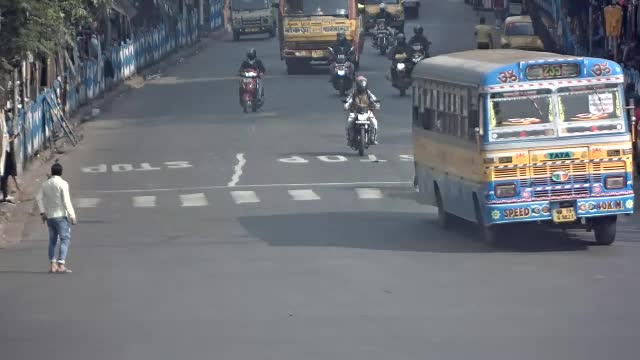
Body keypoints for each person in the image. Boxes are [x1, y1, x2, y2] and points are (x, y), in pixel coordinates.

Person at [36, 162, 77, 273]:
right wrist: (72, 215)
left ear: (52, 172)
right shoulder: (63, 184)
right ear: (61, 172)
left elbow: (38, 197)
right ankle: (61, 264)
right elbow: (66, 201)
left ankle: (53, 265)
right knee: (65, 239)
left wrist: (42, 212)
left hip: (50, 217)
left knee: (52, 241)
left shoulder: (45, 184)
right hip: (61, 216)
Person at [344, 76, 379, 145]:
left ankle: (372, 138)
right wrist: (347, 104)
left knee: (374, 123)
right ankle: (350, 138)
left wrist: (376, 104)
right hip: (355, 111)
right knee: (349, 124)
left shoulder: (368, 93)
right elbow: (349, 99)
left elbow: (374, 99)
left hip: (367, 111)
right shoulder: (354, 93)